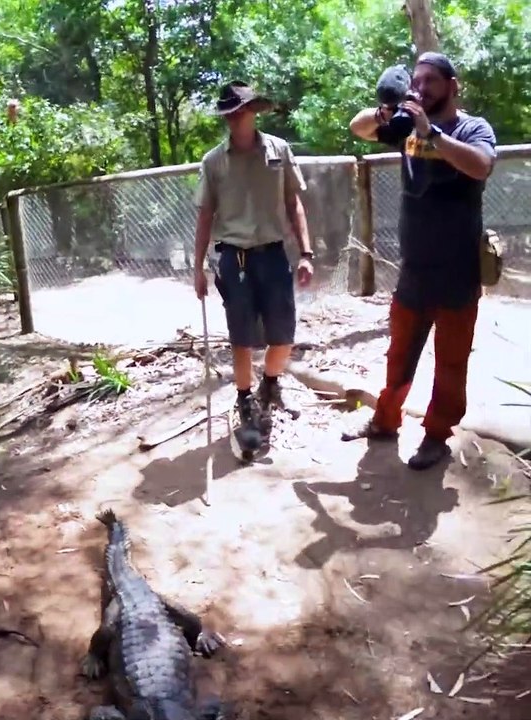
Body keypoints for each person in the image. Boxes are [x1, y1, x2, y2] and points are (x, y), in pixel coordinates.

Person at [344, 52, 497, 470]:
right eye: (417, 80)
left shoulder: (472, 128)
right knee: (400, 356)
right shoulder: (404, 127)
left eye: (431, 80)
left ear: (452, 85)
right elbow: (358, 128)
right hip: (414, 270)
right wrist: (385, 111)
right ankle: (384, 421)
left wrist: (434, 136)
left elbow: (481, 166)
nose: (422, 87)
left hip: (458, 272)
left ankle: (436, 436)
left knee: (450, 364)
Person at [193, 81, 315, 450]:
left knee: (284, 335)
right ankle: (245, 400)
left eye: (241, 109)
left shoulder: (279, 149)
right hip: (234, 258)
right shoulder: (214, 161)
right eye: (229, 112)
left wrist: (306, 253)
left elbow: (294, 203)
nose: (235, 117)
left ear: (253, 112)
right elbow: (205, 215)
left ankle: (271, 385)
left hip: (274, 254)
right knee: (242, 338)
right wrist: (197, 267)